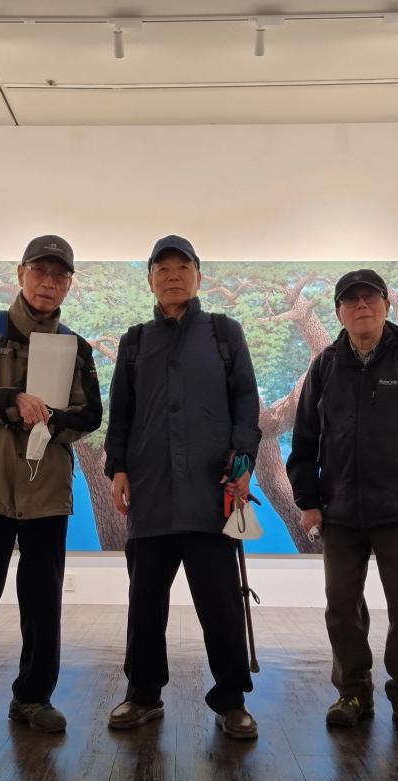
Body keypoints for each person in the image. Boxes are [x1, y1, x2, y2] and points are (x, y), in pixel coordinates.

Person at [0, 234, 102, 737]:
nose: (49, 282)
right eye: (40, 271)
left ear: (69, 284)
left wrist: (50, 416)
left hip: (46, 492)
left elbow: (91, 414)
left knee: (43, 601)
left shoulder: (76, 347)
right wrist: (13, 402)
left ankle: (33, 698)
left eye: (59, 275)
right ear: (21, 273)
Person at [287, 268, 398, 735]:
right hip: (340, 512)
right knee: (342, 608)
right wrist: (308, 501)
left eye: (370, 298)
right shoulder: (325, 365)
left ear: (385, 304)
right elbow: (304, 441)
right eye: (351, 300)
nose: (361, 306)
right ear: (339, 312)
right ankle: (352, 693)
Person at [104, 235, 262, 739]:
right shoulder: (134, 342)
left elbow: (246, 402)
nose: (173, 276)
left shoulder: (224, 333)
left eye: (182, 267)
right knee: (145, 602)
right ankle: (142, 694)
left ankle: (231, 700)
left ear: (198, 276)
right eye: (162, 268)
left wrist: (243, 459)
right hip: (150, 492)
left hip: (210, 492)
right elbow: (121, 413)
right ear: (150, 279)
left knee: (220, 602)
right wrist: (118, 467)